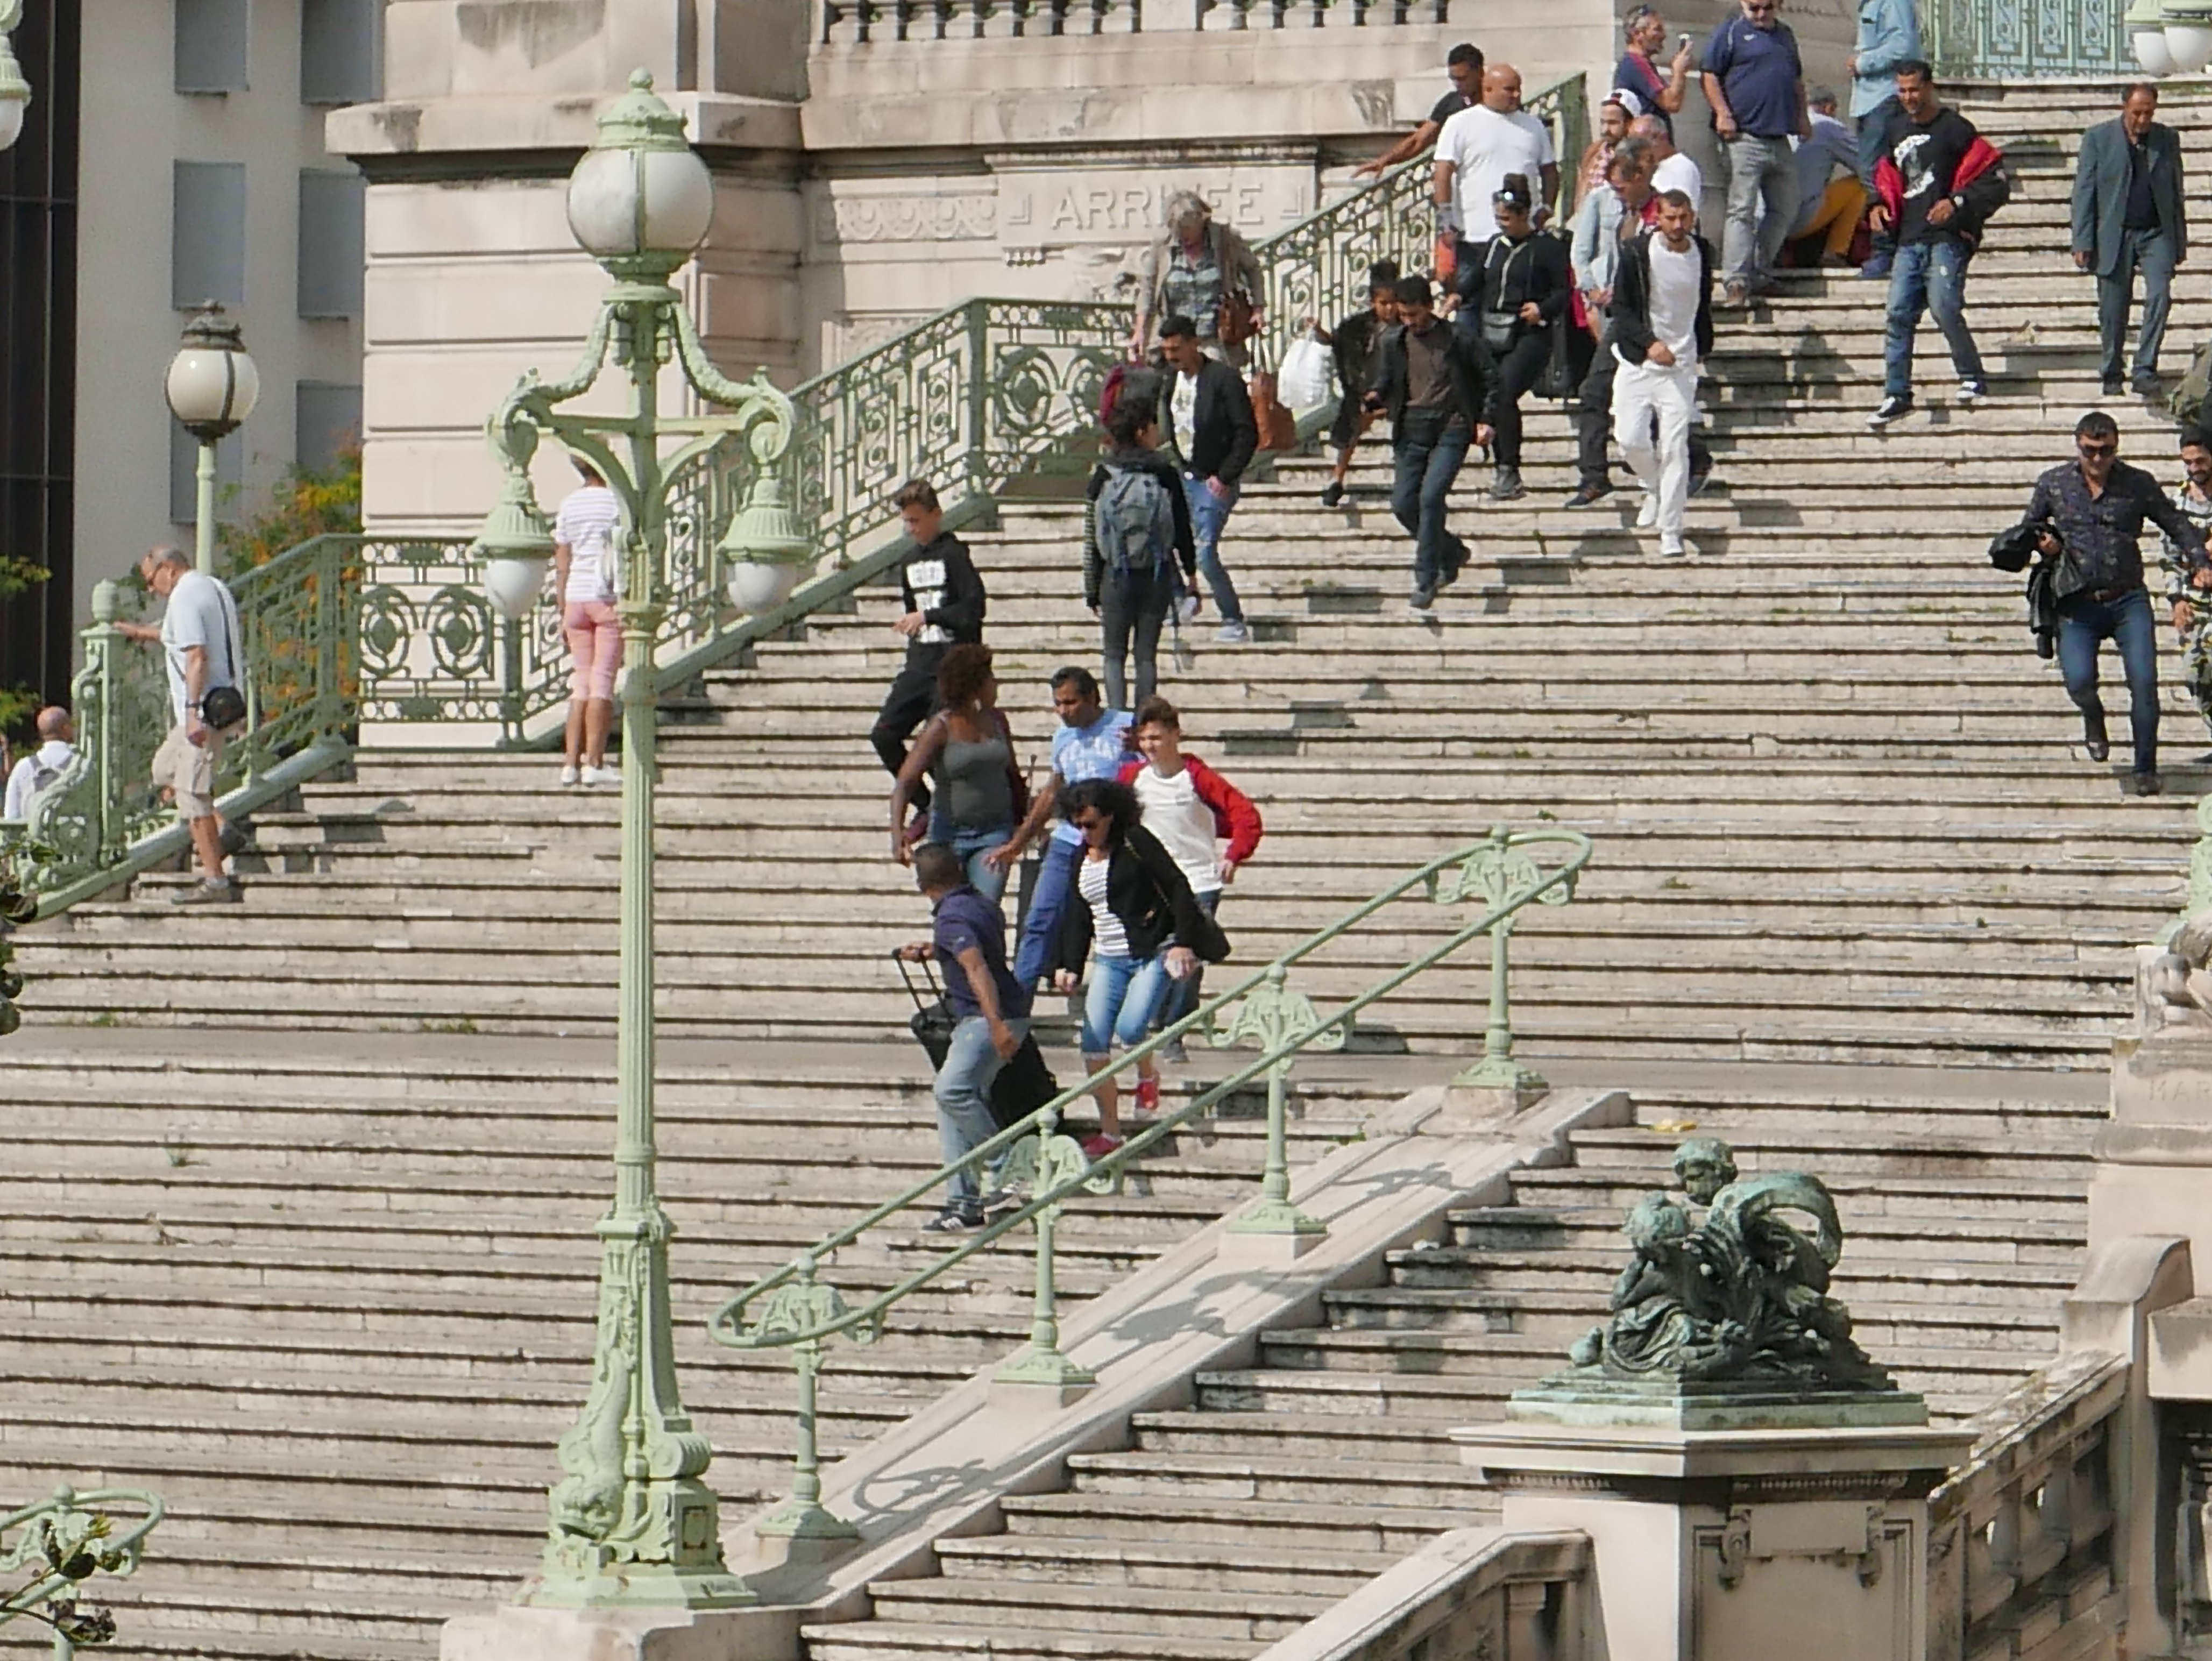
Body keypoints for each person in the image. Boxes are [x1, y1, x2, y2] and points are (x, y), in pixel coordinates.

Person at [2025, 409, 2212, 793]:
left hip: (2127, 598)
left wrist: (2200, 559)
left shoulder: (2136, 483)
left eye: (2106, 451)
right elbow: (2029, 527)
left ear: (2116, 447)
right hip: (2077, 603)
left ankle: (2145, 767)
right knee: (2078, 681)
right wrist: (2045, 545)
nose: (2097, 459)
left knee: (2144, 682)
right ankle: (2093, 718)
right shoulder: (2054, 484)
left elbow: (2175, 522)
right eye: (2090, 451)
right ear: (2078, 446)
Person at [1051, 777, 1229, 1158]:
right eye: (1078, 825)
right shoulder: (1080, 857)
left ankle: (1147, 1075)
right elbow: (1079, 914)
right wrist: (1069, 964)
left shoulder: (1136, 842)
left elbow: (1178, 886)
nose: (1086, 832)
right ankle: (1111, 1132)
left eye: (1092, 824)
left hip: (1153, 948)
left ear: (1112, 816)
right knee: (1094, 1042)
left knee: (1132, 1028)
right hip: (1109, 958)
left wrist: (1182, 943)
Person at [1566, 146, 1714, 509]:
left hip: (1657, 323)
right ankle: (1593, 476)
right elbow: (1585, 252)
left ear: (1639, 180)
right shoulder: (1610, 208)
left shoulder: (1664, 217)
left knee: (1660, 401)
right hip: (1620, 316)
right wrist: (1593, 289)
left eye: (1622, 187)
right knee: (1594, 392)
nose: (1616, 194)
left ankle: (1694, 459)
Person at [897, 843, 1032, 1233]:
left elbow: (976, 969)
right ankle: (964, 1203)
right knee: (951, 1104)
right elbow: (978, 952)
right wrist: (934, 950)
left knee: (952, 1091)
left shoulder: (951, 918)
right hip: (998, 1013)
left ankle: (1006, 1169)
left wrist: (995, 1024)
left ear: (923, 884)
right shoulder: (978, 903)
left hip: (984, 1018)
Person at [1118, 697, 1262, 1061]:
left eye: (1157, 737)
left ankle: (1173, 1033)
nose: (1150, 746)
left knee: (1188, 959)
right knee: (1157, 958)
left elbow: (1245, 814)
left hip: (1198, 881)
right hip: (1153, 885)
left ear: (1175, 735)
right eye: (1144, 738)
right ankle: (1151, 1020)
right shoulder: (1132, 778)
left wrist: (1233, 855)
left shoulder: (1196, 777)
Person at [1866, 62, 2008, 429]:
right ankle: (1897, 393)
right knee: (1898, 314)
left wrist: (1957, 202)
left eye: (1914, 89)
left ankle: (1971, 374)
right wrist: (1877, 207)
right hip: (1908, 238)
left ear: (1929, 87)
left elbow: (1994, 180)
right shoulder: (1894, 129)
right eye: (1902, 90)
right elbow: (1883, 180)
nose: (1909, 98)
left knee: (1945, 306)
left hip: (1947, 239)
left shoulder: (1955, 128)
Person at [991, 668, 1137, 989]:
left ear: (1092, 698)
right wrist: (1019, 841)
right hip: (1069, 839)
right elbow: (1052, 790)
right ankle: (1018, 1005)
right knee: (1039, 919)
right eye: (1057, 703)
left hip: (1113, 840)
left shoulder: (1126, 726)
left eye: (1070, 702)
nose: (1063, 711)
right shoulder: (1063, 737)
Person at [116, 545, 245, 905]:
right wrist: (139, 632)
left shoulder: (184, 597)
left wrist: (191, 713)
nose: (151, 589)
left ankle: (216, 881)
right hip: (222, 701)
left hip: (203, 711)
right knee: (163, 769)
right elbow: (182, 639)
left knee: (191, 792)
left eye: (150, 580)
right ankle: (220, 829)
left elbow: (197, 655)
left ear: (168, 568)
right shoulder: (211, 587)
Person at [871, 479, 987, 844]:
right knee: (884, 734)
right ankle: (927, 802)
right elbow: (913, 610)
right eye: (907, 522)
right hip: (919, 665)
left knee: (937, 745)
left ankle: (955, 813)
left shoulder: (954, 555)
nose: (912, 529)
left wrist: (930, 617)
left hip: (951, 669)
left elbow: (973, 609)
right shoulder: (908, 561)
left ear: (936, 515)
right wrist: (913, 624)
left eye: (917, 521)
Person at [1368, 273, 1491, 612]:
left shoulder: (1457, 339)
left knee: (1432, 496)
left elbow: (1491, 379)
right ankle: (1451, 551)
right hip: (1412, 429)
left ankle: (1426, 577)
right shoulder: (1394, 341)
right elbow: (1388, 377)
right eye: (1405, 316)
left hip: (1451, 426)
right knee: (1402, 504)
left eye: (1416, 315)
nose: (1411, 323)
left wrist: (1484, 420)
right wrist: (1377, 395)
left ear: (1429, 307)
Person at [1610, 190, 1714, 560]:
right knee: (1629, 440)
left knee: (1674, 448)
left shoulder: (1703, 252)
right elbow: (1620, 309)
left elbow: (1702, 302)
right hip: (1639, 362)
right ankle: (1652, 487)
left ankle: (1671, 529)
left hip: (1680, 368)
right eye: (1670, 218)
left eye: (1684, 217)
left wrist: (1701, 345)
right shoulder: (1638, 253)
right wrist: (1649, 342)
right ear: (1658, 217)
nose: (1677, 225)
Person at [1084, 382, 1197, 712]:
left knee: (1114, 655)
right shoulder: (1164, 472)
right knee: (1146, 655)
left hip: (1114, 577)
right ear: (1141, 431)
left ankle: (1119, 720)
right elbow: (1182, 531)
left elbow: (1091, 538)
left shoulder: (1103, 475)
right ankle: (1144, 719)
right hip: (1156, 575)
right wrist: (1190, 577)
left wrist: (1092, 589)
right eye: (1153, 427)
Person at [1457, 174, 1571, 502]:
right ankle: (1502, 461)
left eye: (1507, 218)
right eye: (1499, 219)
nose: (1502, 225)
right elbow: (1478, 279)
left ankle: (1509, 468)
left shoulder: (1546, 248)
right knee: (1492, 391)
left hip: (1529, 335)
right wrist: (1456, 296)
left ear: (1523, 216)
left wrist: (1542, 308)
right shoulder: (1495, 246)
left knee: (1504, 391)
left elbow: (1564, 291)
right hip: (1493, 329)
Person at [2071, 83, 2186, 400]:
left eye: (2149, 112)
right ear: (2124, 108)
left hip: (2156, 232)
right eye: (2137, 112)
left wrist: (2180, 239)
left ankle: (2145, 368)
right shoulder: (2098, 139)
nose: (2143, 119)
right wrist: (2082, 239)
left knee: (2160, 295)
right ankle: (2111, 369)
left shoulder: (2167, 140)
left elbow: (2176, 190)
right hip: (2114, 233)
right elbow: (2084, 191)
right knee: (2113, 308)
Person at [889, 643, 1024, 903]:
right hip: (948, 835)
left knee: (985, 906)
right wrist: (898, 834)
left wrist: (1024, 819)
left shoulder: (998, 721)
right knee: (953, 911)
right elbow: (905, 782)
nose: (995, 684)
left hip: (994, 832)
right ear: (975, 684)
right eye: (990, 678)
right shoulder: (940, 727)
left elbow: (1012, 772)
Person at [1156, 315, 1257, 645]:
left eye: (1177, 349)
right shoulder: (1170, 381)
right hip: (1185, 475)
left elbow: (1246, 432)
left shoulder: (1223, 380)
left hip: (1214, 480)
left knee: (1205, 550)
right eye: (1166, 350)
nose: (1172, 357)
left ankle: (1232, 617)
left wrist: (1226, 476)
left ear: (1193, 343)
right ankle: (1185, 597)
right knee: (1167, 539)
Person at [1701, 0, 1809, 308]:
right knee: (1741, 210)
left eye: (1767, 7)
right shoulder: (1732, 31)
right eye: (1754, 7)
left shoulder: (1786, 35)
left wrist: (1802, 116)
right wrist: (1723, 113)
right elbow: (1709, 75)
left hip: (1779, 136)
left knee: (1786, 207)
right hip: (1743, 136)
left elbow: (1797, 80)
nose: (1761, 14)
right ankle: (1736, 280)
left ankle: (1758, 269)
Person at [1434, 64, 1560, 268]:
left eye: (1519, 88)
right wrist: (1445, 216)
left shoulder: (1533, 125)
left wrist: (1547, 207)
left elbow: (1549, 169)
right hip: (1476, 235)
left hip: (1523, 234)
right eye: (1509, 89)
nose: (1517, 94)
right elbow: (1443, 171)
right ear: (1488, 89)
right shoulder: (1460, 123)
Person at [552, 458, 623, 787]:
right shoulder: (614, 501)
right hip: (605, 595)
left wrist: (561, 602)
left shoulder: (569, 504)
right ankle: (594, 760)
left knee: (580, 682)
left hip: (575, 599)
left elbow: (563, 559)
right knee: (603, 680)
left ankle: (570, 764)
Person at [1132, 191, 1265, 369]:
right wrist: (1140, 331)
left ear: (1201, 222)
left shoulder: (1225, 240)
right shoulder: (1162, 246)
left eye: (1187, 230)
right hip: (1175, 340)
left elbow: (1253, 268)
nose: (1182, 237)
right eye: (1177, 231)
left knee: (1214, 386)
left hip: (1214, 338)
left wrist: (1258, 307)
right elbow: (1147, 288)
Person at [1311, 262, 1401, 508]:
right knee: (1354, 424)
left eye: (1393, 302)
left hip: (1401, 388)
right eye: (1384, 303)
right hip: (1367, 387)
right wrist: (1322, 334)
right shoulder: (1358, 327)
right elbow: (1341, 346)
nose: (1390, 308)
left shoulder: (1408, 326)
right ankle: (1337, 478)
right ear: (1373, 302)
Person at [1848, 0, 1922, 279]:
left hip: (1883, 96)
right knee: (1874, 173)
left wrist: (1862, 62)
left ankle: (1885, 249)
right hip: (1870, 99)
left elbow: (1903, 46)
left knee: (1876, 174)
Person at [1355, 42, 1483, 179]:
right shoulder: (1451, 103)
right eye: (1454, 79)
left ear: (1480, 72)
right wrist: (1385, 160)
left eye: (1463, 79)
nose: (1457, 84)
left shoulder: (1502, 100)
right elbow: (1419, 140)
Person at [2162, 428, 2212, 756]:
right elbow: (2168, 558)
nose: (2195, 467)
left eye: (2201, 460)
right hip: (2195, 600)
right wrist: (2176, 599)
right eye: (2188, 462)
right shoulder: (2176, 502)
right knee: (2195, 672)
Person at [1788, 88, 1867, 266]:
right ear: (1829, 108)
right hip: (1802, 219)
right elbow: (1864, 165)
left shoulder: (1788, 123)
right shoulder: (1829, 127)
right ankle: (1835, 252)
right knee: (1859, 185)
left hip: (1769, 219)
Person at [1615, 6, 1695, 135]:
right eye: (1657, 29)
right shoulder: (1637, 64)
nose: (1663, 36)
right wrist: (1679, 71)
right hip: (1646, 147)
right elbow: (1672, 103)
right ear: (1637, 34)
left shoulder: (1637, 63)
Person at [2, 706, 74, 822]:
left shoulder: (24, 768)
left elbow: (11, 816)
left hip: (33, 839)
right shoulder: (82, 764)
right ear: (65, 728)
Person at [1631, 115, 1704, 214]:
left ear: (1662, 137)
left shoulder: (1681, 168)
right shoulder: (1651, 166)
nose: (1637, 151)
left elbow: (1676, 212)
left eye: (1641, 143)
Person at [1576, 94, 1636, 209]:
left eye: (1612, 123)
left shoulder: (1636, 156)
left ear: (1629, 124)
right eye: (1603, 122)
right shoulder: (1593, 152)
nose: (1605, 129)